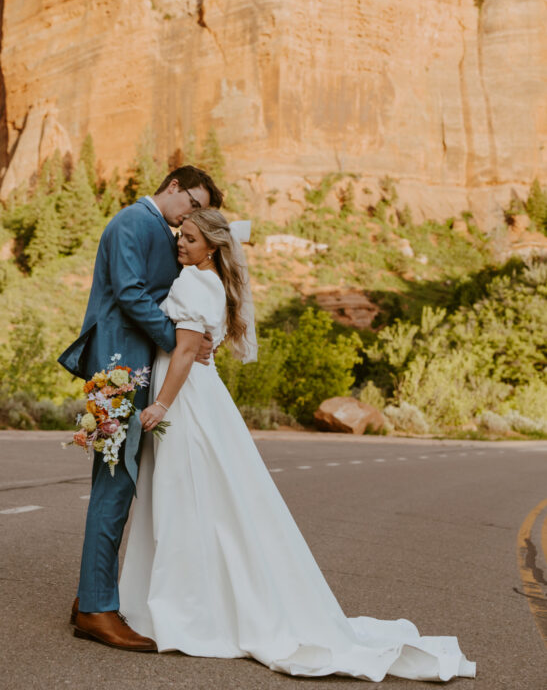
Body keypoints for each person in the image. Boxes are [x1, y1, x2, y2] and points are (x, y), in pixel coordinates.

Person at [118, 208, 476, 681]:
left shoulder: (189, 284)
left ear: (212, 247)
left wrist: (161, 405)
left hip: (185, 402)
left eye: (188, 238)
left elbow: (185, 351)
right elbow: (198, 344)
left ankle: (184, 607)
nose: (179, 244)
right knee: (209, 501)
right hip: (204, 397)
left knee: (184, 497)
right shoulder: (211, 284)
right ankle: (196, 599)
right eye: (179, 236)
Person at [58, 166, 223, 651]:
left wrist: (190, 339)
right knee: (115, 483)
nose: (190, 217)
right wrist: (180, 343)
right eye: (192, 204)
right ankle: (95, 610)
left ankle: (92, 597)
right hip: (118, 369)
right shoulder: (133, 222)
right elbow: (130, 294)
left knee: (120, 482)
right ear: (173, 187)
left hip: (134, 369)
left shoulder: (157, 228)